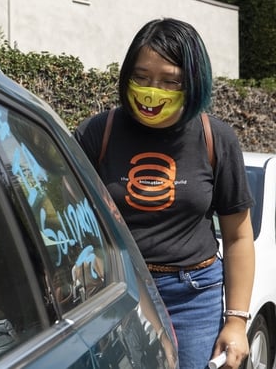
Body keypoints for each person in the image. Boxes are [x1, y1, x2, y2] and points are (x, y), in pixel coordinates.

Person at [74, 18, 255, 369]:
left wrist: (236, 321)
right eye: (141, 77)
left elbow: (238, 236)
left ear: (194, 83)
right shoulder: (98, 132)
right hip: (114, 291)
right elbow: (64, 215)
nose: (152, 90)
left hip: (192, 296)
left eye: (170, 81)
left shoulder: (216, 138)